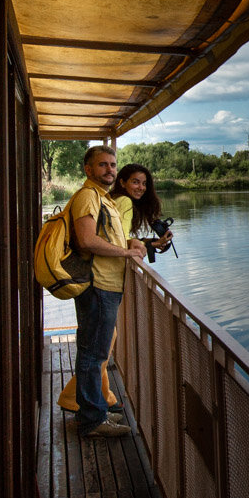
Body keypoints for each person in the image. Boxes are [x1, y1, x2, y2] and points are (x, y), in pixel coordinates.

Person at [56, 163, 172, 414]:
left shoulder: (113, 199)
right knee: (98, 348)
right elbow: (112, 240)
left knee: (101, 344)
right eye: (135, 182)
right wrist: (144, 245)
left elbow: (117, 238)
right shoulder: (124, 203)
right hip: (103, 279)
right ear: (122, 182)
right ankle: (81, 402)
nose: (140, 187)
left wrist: (148, 244)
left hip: (95, 277)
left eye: (144, 183)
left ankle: (97, 397)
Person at [70, 146, 145, 437]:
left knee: (94, 352)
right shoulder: (88, 196)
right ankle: (91, 420)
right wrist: (126, 254)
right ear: (88, 169)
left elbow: (112, 237)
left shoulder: (103, 198)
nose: (110, 170)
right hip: (98, 283)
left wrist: (133, 243)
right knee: (93, 354)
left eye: (113, 165)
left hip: (106, 284)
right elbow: (88, 241)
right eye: (102, 165)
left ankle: (94, 410)